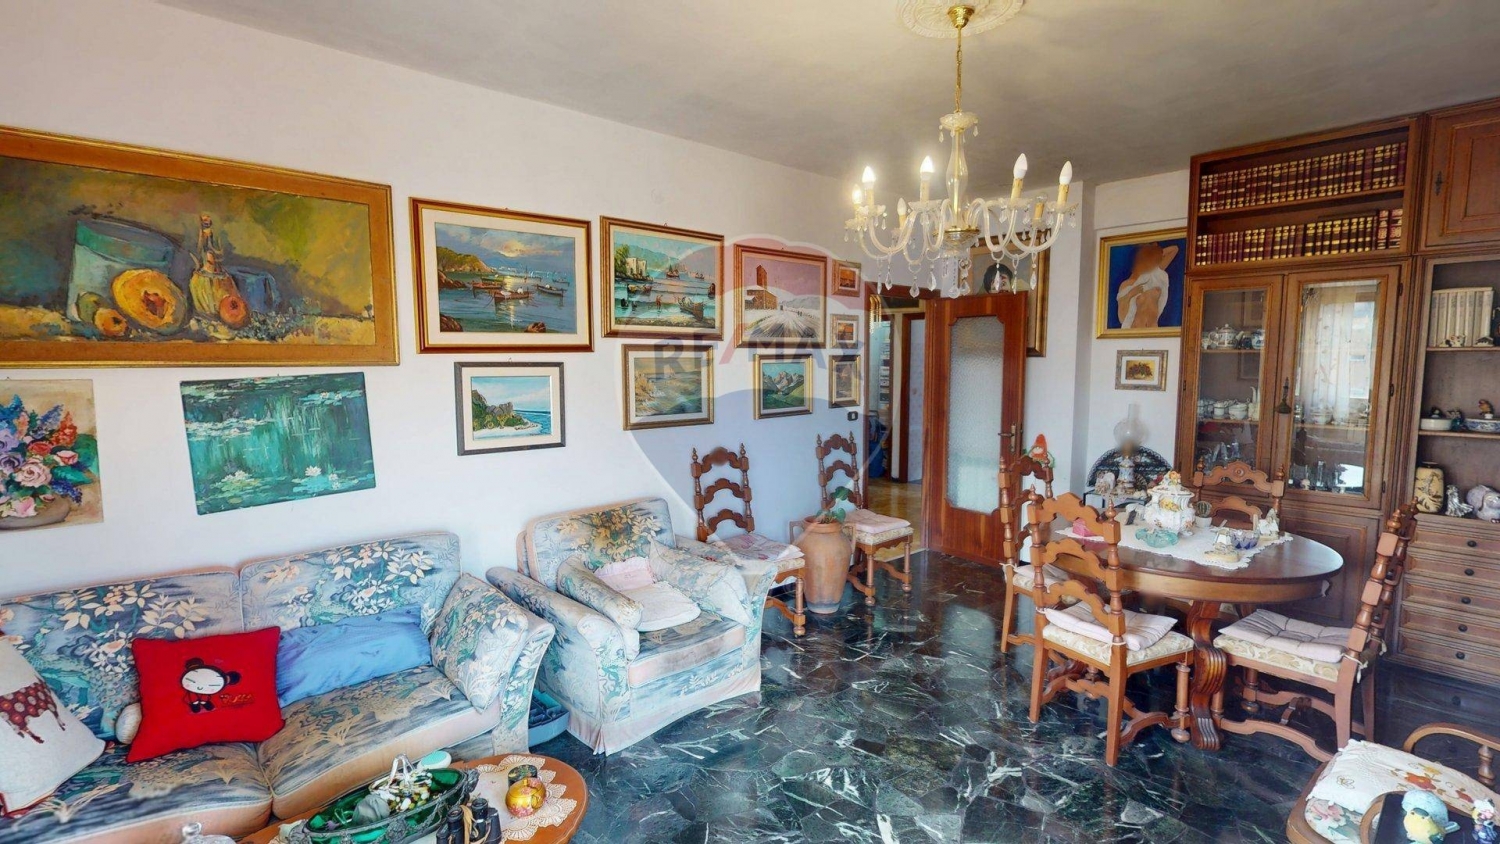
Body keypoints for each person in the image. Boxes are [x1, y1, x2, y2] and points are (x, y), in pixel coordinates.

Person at [1116, 242, 1179, 329]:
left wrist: (1153, 255)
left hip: (1153, 329)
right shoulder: (1127, 284)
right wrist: (1131, 293)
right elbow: (1121, 318)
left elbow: (1174, 249)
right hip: (1136, 330)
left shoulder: (1155, 275)